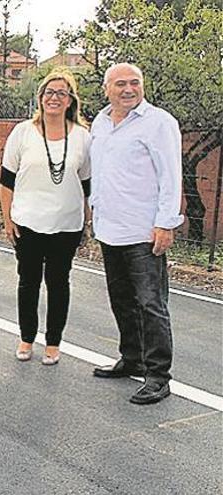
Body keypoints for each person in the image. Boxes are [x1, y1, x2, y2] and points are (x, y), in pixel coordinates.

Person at [89, 63, 182, 405]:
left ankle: (158, 375)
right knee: (122, 301)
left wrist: (166, 223)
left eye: (135, 83)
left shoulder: (159, 122)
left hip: (144, 231)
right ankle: (132, 358)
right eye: (120, 84)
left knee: (151, 304)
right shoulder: (99, 123)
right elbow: (99, 173)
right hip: (110, 229)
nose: (128, 89)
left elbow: (171, 176)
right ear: (106, 89)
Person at [0, 68, 91, 366]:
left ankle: (53, 343)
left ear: (70, 101)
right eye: (48, 93)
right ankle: (27, 338)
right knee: (28, 282)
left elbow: (88, 184)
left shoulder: (82, 137)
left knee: (59, 282)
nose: (54, 98)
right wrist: (8, 219)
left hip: (66, 224)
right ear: (40, 98)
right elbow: (6, 180)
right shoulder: (22, 132)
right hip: (27, 222)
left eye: (61, 93)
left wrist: (87, 222)